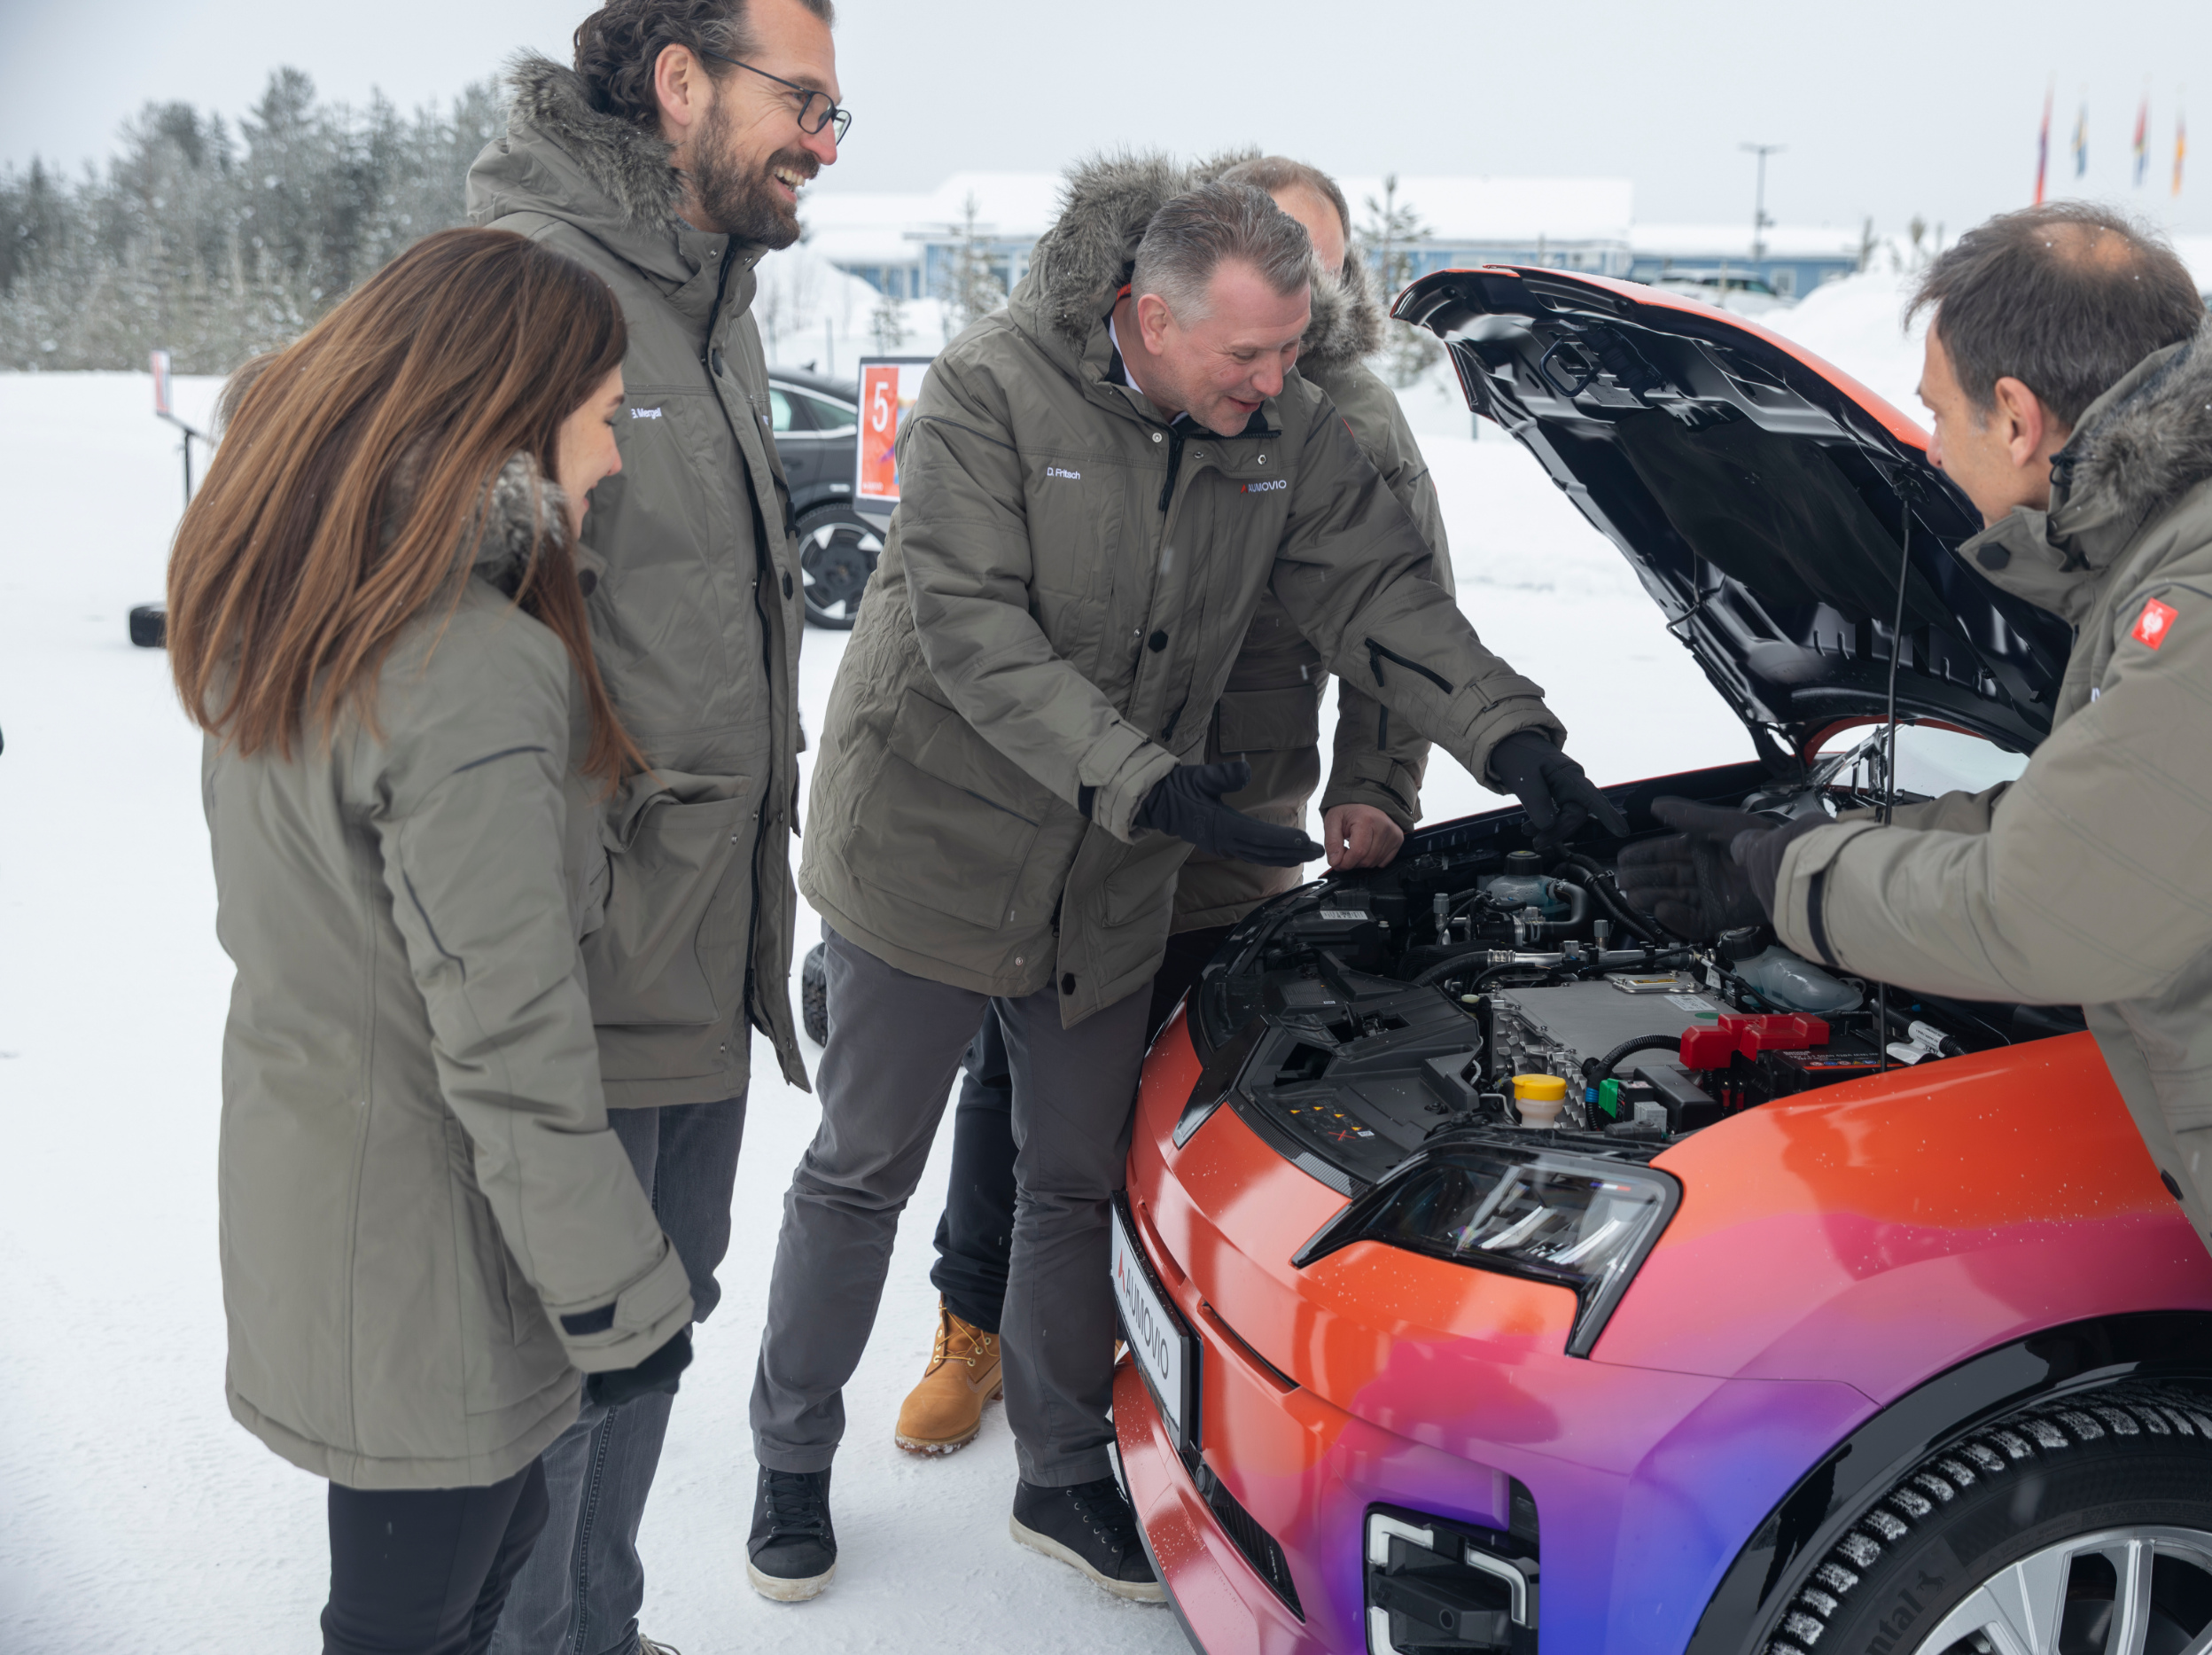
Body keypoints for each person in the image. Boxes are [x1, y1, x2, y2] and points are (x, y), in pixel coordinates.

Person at [747, 163, 1619, 1605]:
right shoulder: (989, 391)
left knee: (1071, 1178)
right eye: (1253, 354)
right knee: (863, 1170)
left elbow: (1379, 592)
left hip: (1112, 866)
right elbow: (970, 628)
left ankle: (1059, 1470)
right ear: (1151, 317)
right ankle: (790, 1459)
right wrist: (1144, 776)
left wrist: (1509, 730)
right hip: (935, 848)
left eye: (1294, 349)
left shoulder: (1284, 424)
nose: (1280, 382)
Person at [1625, 202, 2212, 1655]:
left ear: (2020, 416)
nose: (1930, 449)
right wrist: (1824, 840)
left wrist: (1788, 883)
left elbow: (2052, 912)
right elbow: (2094, 821)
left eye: (1937, 412)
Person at [167, 227, 697, 1655]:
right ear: (510, 416)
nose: (614, 460)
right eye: (602, 418)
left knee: (449, 1587)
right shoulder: (464, 666)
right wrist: (618, 1295)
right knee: (414, 1618)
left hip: (329, 1188)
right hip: (432, 1242)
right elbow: (509, 1035)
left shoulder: (303, 599)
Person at [891, 152, 1453, 1458]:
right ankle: (975, 1322)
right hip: (1076, 814)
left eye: (1319, 275)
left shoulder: (1356, 424)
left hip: (1240, 824)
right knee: (1011, 1085)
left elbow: (1407, 619)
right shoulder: (1108, 392)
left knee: (1190, 1100)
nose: (1295, 308)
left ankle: (1159, 1336)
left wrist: (1377, 783)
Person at [464, 0, 839, 1648]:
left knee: (659, 1324)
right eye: (803, 99)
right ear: (681, 82)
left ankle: (595, 1628)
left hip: (703, 943)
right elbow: (449, 667)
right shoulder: (528, 293)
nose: (823, 141)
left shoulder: (714, 307)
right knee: (561, 1356)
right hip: (582, 962)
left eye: (837, 113)